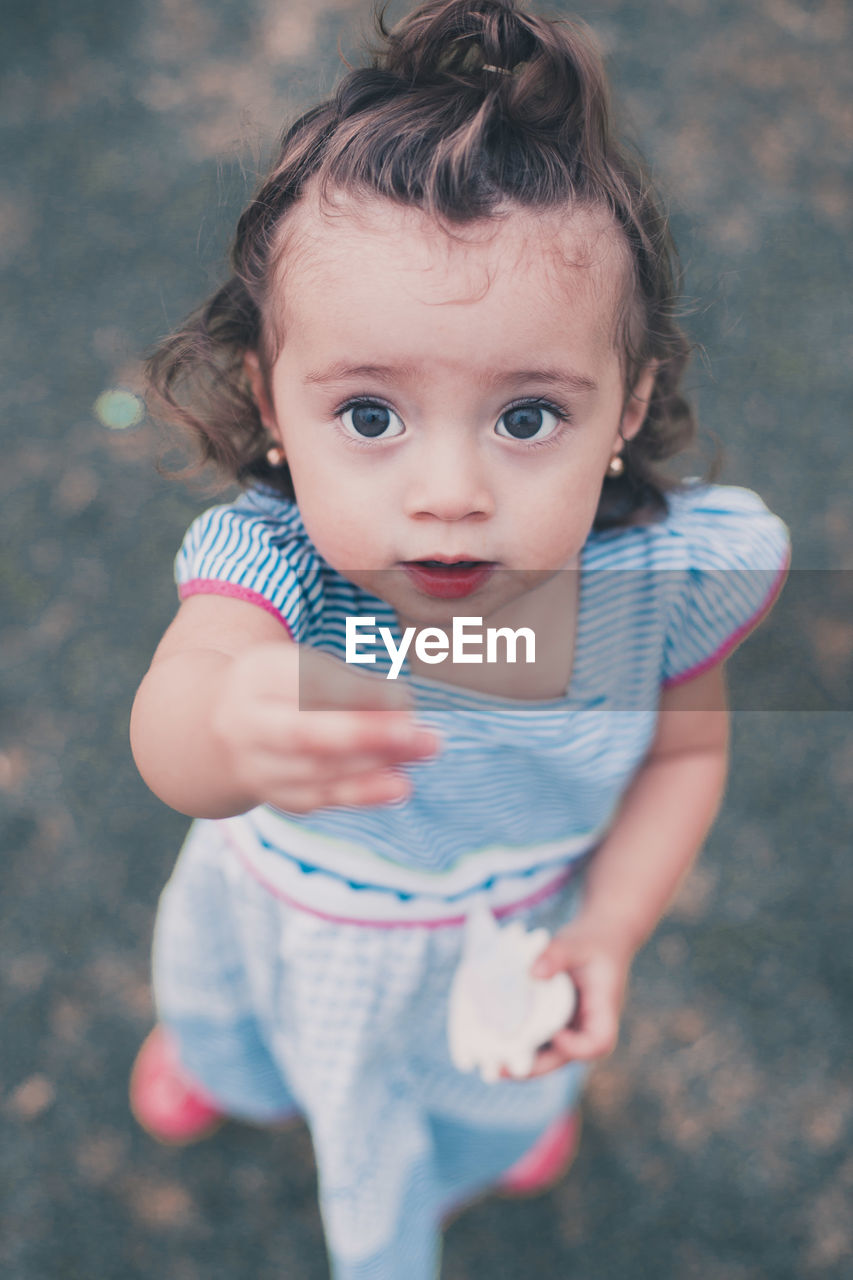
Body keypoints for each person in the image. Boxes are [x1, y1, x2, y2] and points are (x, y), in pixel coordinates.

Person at [128, 1, 791, 1275]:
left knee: (498, 1093)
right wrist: (227, 725)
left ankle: (482, 1134)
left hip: (513, 933)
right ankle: (224, 1062)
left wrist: (604, 935)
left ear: (625, 407)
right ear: (274, 405)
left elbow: (681, 759)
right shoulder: (276, 570)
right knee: (237, 1023)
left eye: (527, 416)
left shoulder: (664, 582)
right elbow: (179, 721)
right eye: (369, 413)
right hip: (300, 924)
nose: (449, 490)